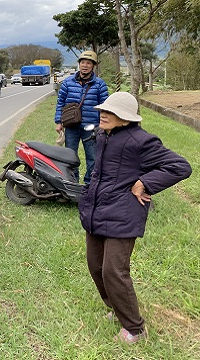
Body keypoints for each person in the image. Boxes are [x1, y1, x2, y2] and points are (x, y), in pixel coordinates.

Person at [78, 92, 192, 344]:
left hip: (123, 213)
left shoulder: (141, 141)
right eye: (103, 110)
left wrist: (144, 182)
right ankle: (117, 309)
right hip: (97, 209)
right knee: (95, 266)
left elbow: (180, 167)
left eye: (111, 112)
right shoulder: (102, 135)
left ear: (126, 119)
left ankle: (135, 328)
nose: (103, 114)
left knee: (114, 271)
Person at [54, 50, 109, 184]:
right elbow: (60, 102)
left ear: (93, 66)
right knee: (70, 156)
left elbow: (105, 105)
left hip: (91, 126)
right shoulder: (67, 83)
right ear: (79, 64)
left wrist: (104, 125)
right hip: (71, 125)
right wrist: (59, 121)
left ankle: (89, 184)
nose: (85, 65)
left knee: (93, 157)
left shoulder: (100, 84)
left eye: (88, 63)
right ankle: (72, 182)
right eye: (83, 62)